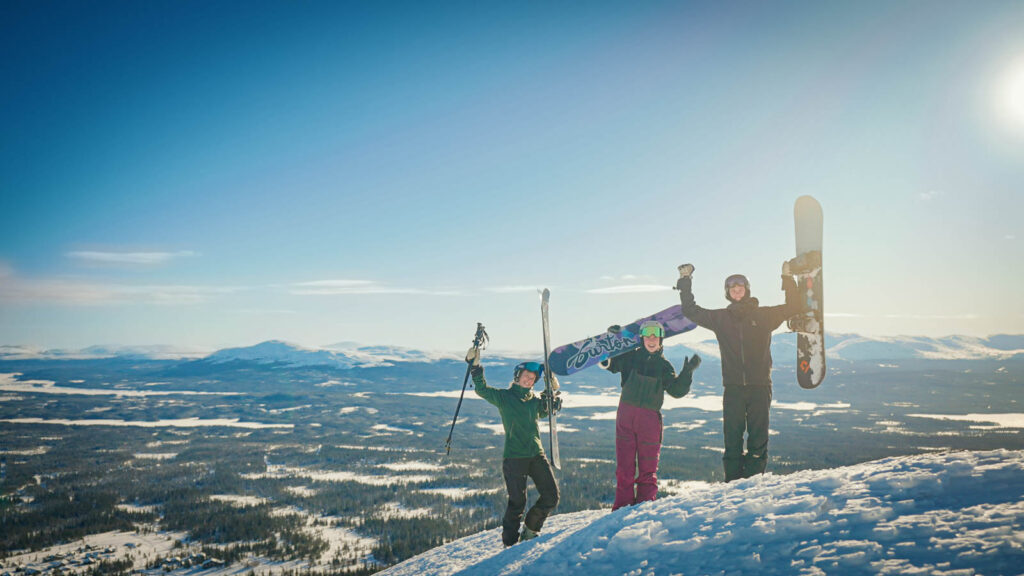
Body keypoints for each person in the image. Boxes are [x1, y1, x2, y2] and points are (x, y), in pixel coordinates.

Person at [676, 263, 799, 482]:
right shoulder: (721, 318)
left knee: (758, 440)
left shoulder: (765, 316)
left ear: (747, 289)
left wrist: (787, 278)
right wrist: (685, 281)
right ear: (727, 293)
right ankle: (732, 486)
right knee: (732, 439)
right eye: (731, 287)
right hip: (732, 388)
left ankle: (752, 485)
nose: (736, 290)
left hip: (760, 386)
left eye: (740, 285)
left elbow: (793, 306)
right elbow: (691, 311)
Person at [600, 320, 701, 510]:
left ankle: (644, 508)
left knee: (648, 469)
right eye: (648, 335)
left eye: (656, 335)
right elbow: (610, 364)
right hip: (626, 416)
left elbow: (677, 391)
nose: (652, 339)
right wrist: (612, 339)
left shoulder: (664, 366)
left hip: (649, 421)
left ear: (661, 340)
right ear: (642, 338)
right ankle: (622, 507)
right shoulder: (630, 357)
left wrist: (687, 373)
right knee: (625, 469)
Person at [466, 347, 561, 546]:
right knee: (517, 503)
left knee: (551, 495)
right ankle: (509, 543)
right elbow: (482, 389)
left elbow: (546, 411)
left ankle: (531, 529)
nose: (529, 380)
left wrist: (553, 395)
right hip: (514, 458)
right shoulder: (505, 397)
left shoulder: (533, 401)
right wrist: (475, 368)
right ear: (517, 377)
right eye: (526, 376)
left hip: (536, 455)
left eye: (533, 378)